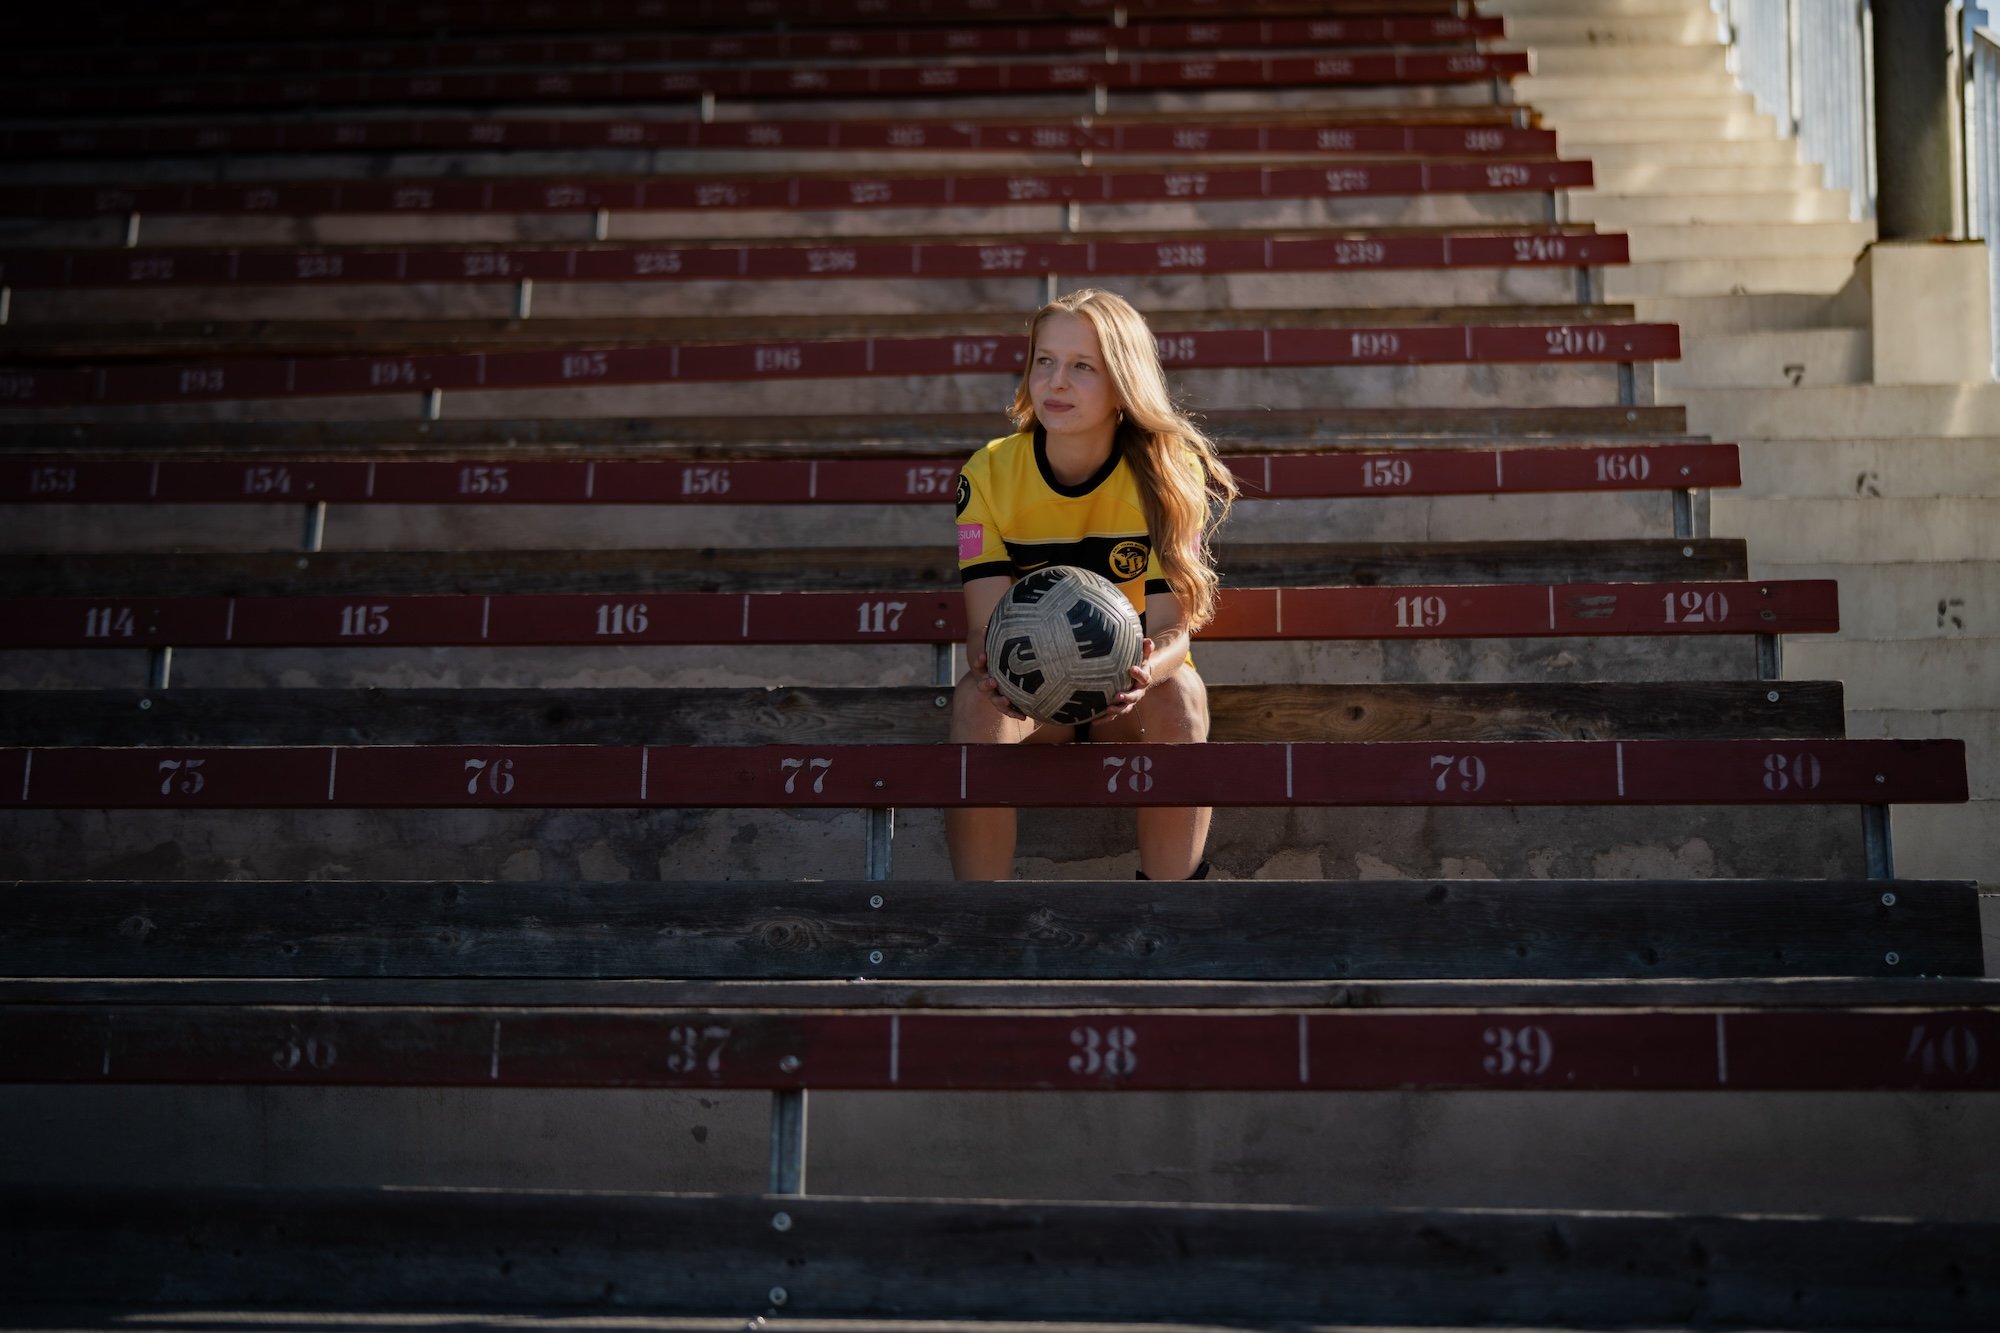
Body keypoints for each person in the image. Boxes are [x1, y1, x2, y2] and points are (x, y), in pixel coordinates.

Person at [948, 287, 1239, 881]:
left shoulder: (1166, 471)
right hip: (1032, 700)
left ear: (1122, 386)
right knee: (973, 704)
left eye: (1083, 367)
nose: (1056, 382)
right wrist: (992, 673)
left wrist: (1141, 677)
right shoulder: (989, 473)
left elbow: (1172, 629)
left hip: (1124, 699)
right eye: (1044, 361)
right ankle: (980, 918)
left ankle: (1169, 908)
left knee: (1181, 695)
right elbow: (985, 625)